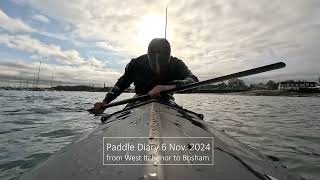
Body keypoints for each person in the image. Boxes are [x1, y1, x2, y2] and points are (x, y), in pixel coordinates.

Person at [93, 38, 198, 113]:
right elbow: (121, 84)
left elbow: (193, 81)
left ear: (169, 57)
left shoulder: (177, 64)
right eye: (153, 63)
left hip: (167, 99)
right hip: (138, 99)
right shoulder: (136, 64)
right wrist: (105, 102)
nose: (157, 69)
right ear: (148, 56)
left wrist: (165, 87)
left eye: (162, 64)